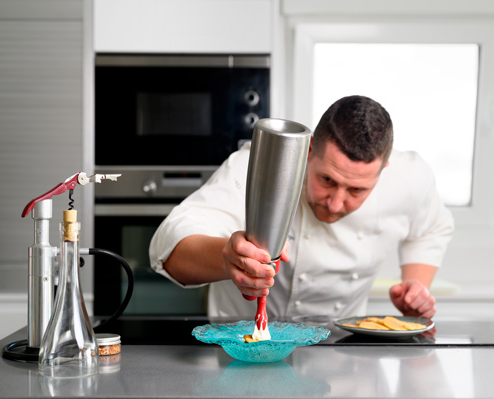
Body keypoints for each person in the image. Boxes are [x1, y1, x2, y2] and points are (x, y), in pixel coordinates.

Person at [149, 95, 454, 319]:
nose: (335, 203)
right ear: (308, 152)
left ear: (384, 169)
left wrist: (415, 284)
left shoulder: (409, 178)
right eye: (327, 180)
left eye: (357, 190)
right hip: (241, 350)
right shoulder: (262, 164)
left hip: (342, 355)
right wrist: (226, 258)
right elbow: (168, 245)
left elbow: (433, 227)